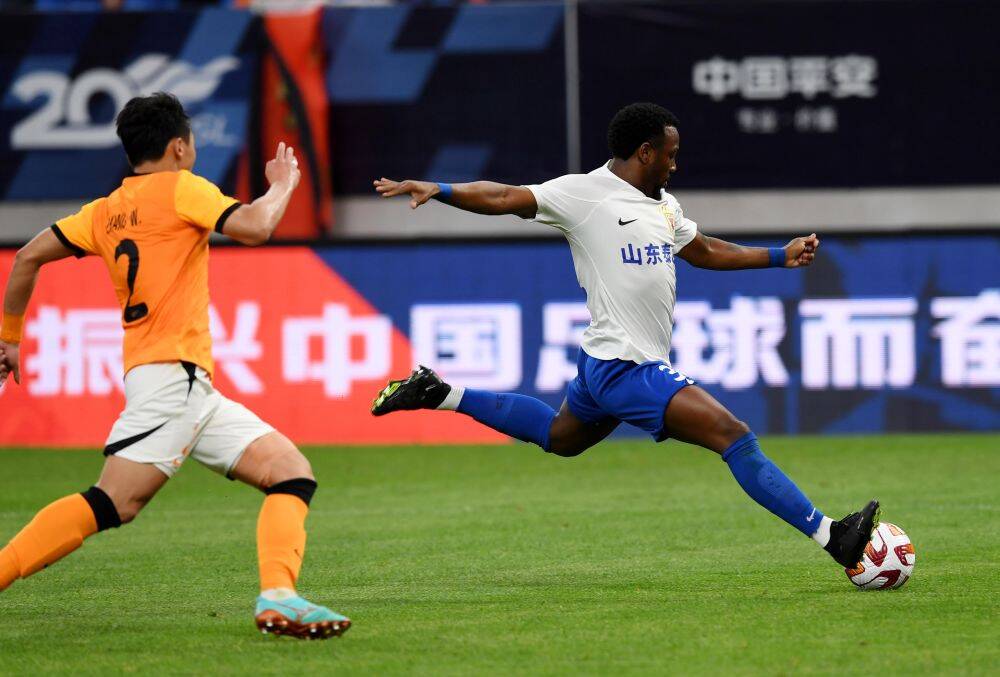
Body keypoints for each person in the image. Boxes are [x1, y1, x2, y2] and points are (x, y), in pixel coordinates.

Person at [370, 102, 879, 570]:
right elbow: (504, 196)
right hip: (625, 366)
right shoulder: (584, 194)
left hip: (604, 363)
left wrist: (778, 256)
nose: (675, 165)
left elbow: (704, 250)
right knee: (733, 435)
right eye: (670, 155)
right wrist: (441, 190)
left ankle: (440, 392)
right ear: (645, 152)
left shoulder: (664, 205)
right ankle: (832, 535)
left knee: (560, 437)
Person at [0, 93, 349, 639]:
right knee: (112, 502)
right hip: (172, 378)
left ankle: (279, 598)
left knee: (290, 472)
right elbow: (256, 227)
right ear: (179, 146)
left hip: (186, 385)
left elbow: (26, 258)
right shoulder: (184, 188)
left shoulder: (103, 211)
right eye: (192, 142)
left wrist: (10, 338)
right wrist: (283, 185)